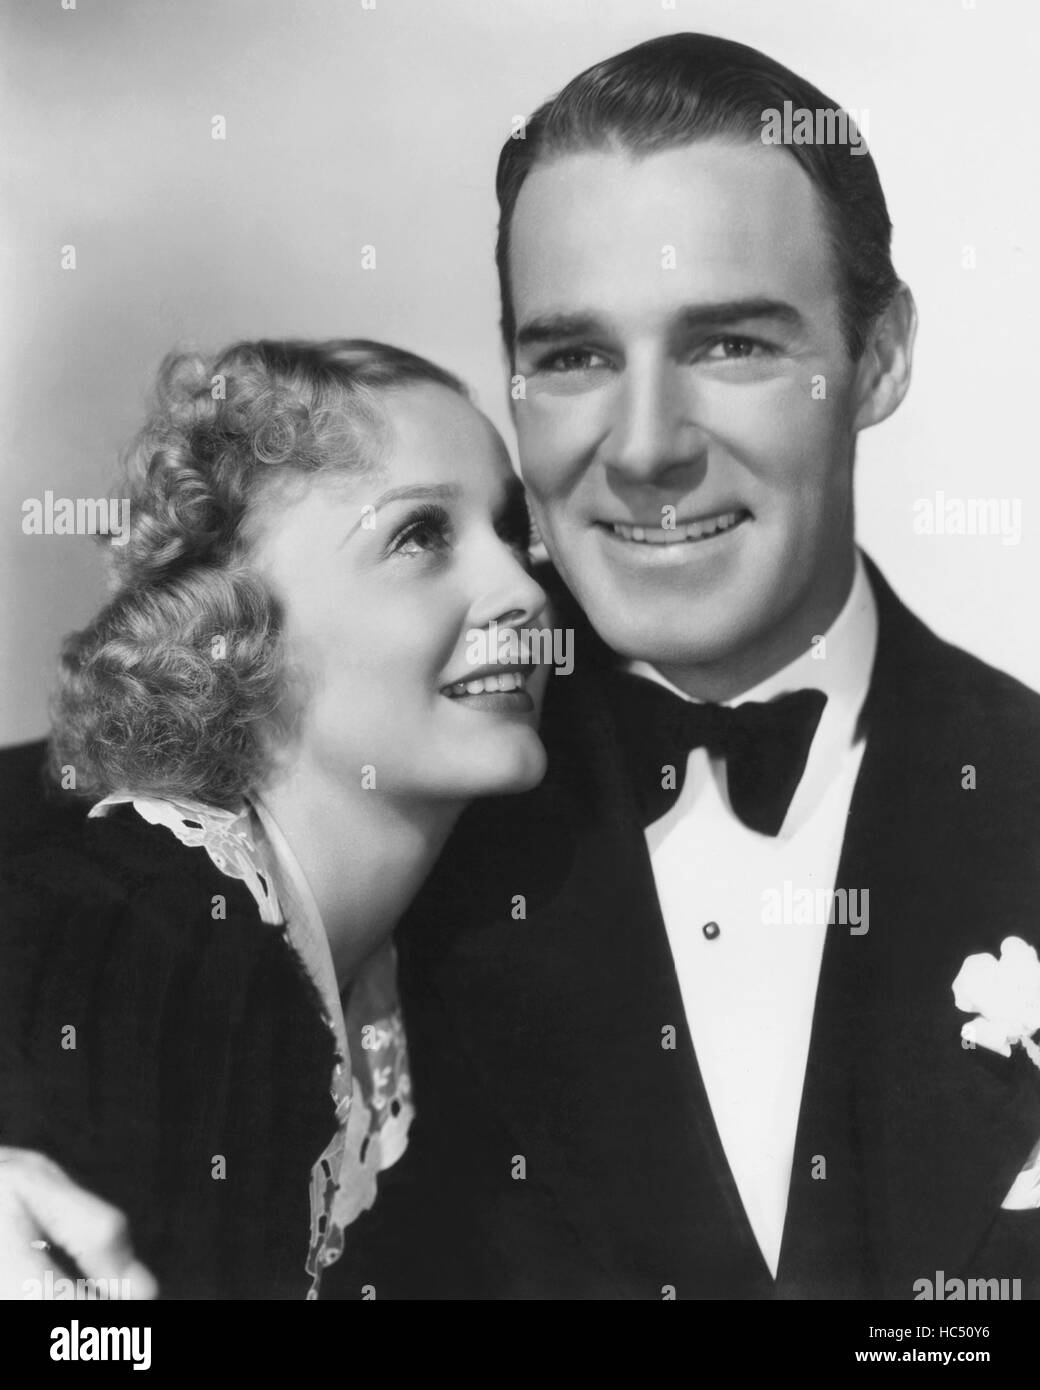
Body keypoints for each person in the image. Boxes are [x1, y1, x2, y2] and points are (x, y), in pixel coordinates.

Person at [6, 31, 1040, 1301]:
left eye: (730, 345)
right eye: (573, 357)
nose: (646, 447)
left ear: (875, 360)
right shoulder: (389, 765)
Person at [0, 338, 549, 1299]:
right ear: (233, 628)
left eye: (515, 535)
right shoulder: (128, 942)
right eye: (420, 535)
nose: (524, 591)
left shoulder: (393, 974)